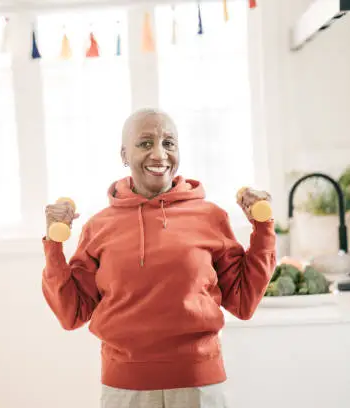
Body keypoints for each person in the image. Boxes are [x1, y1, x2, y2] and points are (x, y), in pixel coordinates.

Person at [42, 108, 276, 408]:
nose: (159, 154)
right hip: (125, 388)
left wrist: (263, 228)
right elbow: (70, 312)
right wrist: (53, 244)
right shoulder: (98, 227)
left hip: (199, 384)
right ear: (124, 155)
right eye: (145, 143)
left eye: (169, 143)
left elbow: (243, 301)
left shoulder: (210, 217)